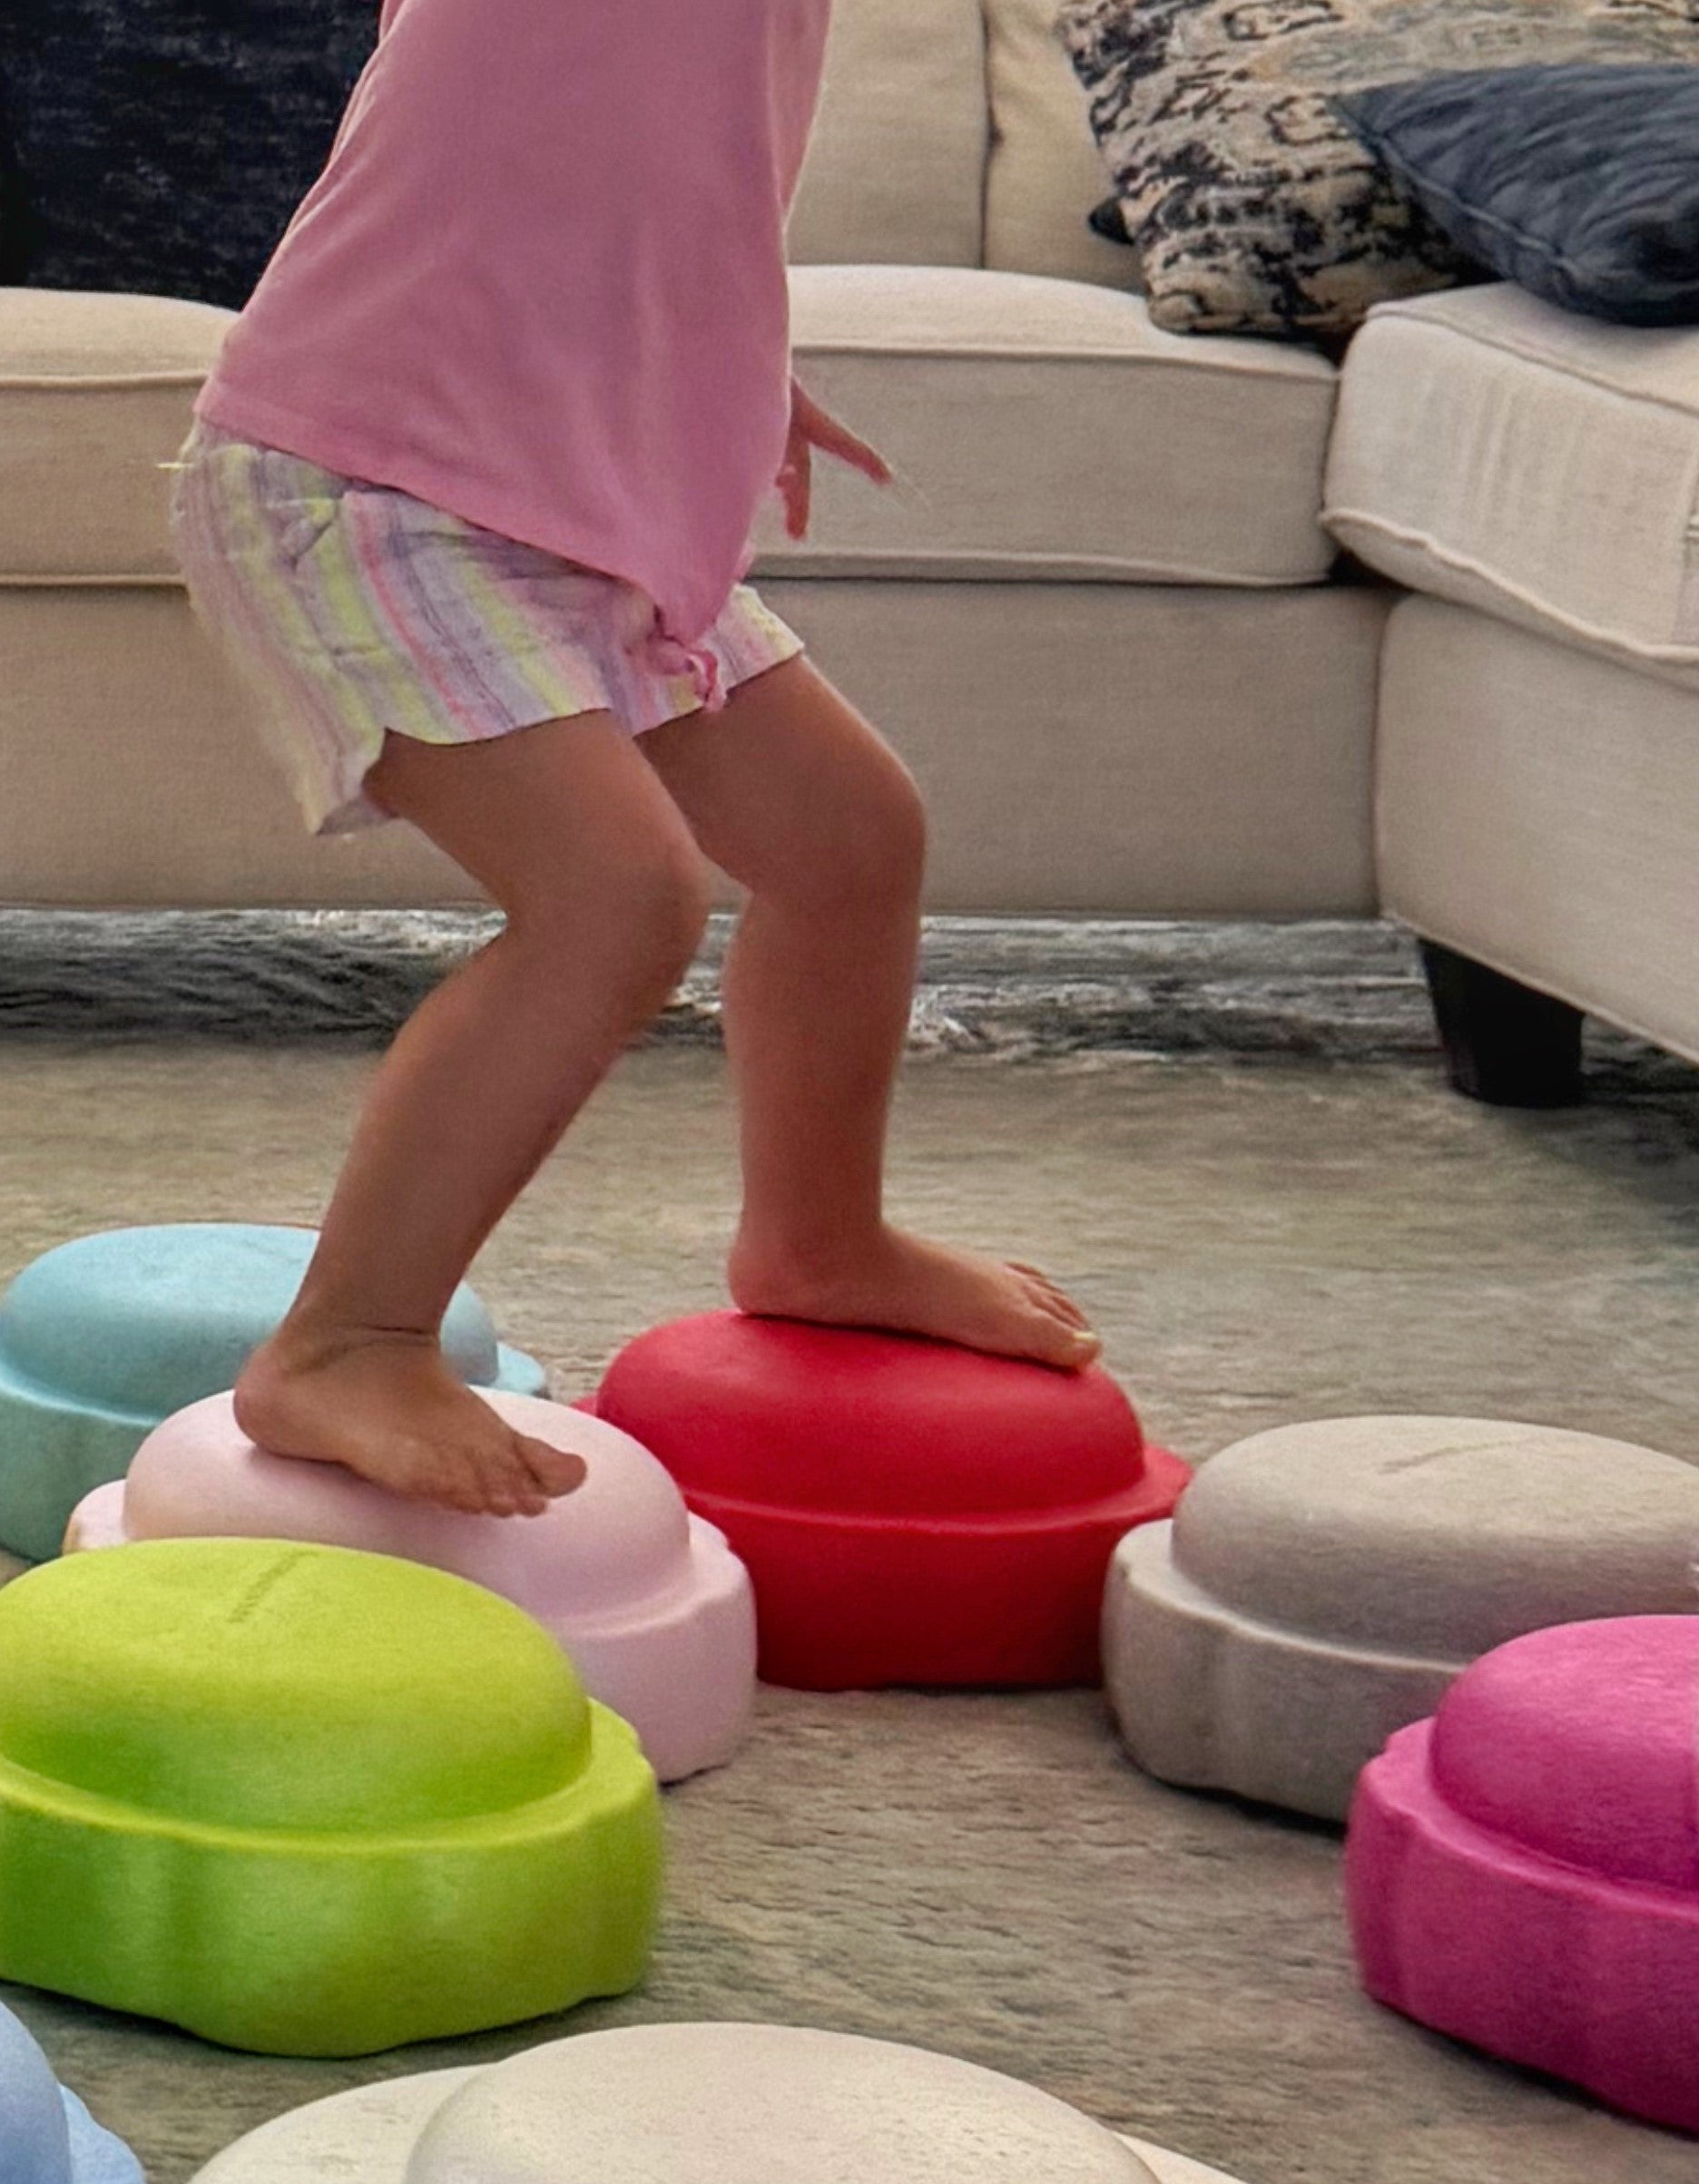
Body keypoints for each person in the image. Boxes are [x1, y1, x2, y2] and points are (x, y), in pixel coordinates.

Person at [175, 0, 1101, 1520]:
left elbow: (649, 160)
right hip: (374, 475)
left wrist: (720, 369)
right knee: (614, 897)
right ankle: (348, 1340)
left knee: (849, 839)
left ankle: (822, 1240)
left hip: (580, 478)